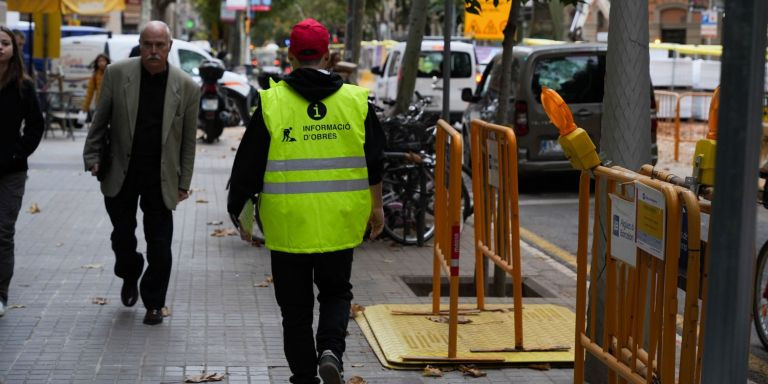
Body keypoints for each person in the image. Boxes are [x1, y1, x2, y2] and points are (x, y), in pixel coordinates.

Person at [227, 18, 385, 384]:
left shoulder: (272, 103)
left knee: (295, 310)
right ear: (329, 55)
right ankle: (331, 350)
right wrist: (377, 209)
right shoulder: (356, 102)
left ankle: (303, 376)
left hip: (287, 227)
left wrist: (242, 218)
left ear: (291, 55)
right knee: (335, 292)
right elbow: (374, 161)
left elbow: (246, 169)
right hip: (340, 222)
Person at [82, 21, 199, 325]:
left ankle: (155, 303)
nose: (153, 51)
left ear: (169, 47)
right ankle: (130, 270)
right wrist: (92, 156)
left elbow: (188, 141)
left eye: (160, 45)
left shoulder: (186, 86)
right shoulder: (118, 74)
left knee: (160, 244)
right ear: (141, 44)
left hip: (161, 177)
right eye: (148, 44)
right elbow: (100, 120)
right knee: (122, 236)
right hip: (121, 171)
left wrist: (184, 181)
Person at [0, 25, 44, 317]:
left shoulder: (23, 85)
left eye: (4, 43)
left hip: (11, 171)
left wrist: (19, 152)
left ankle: (1, 293)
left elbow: (36, 124)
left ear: (13, 49)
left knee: (2, 231)